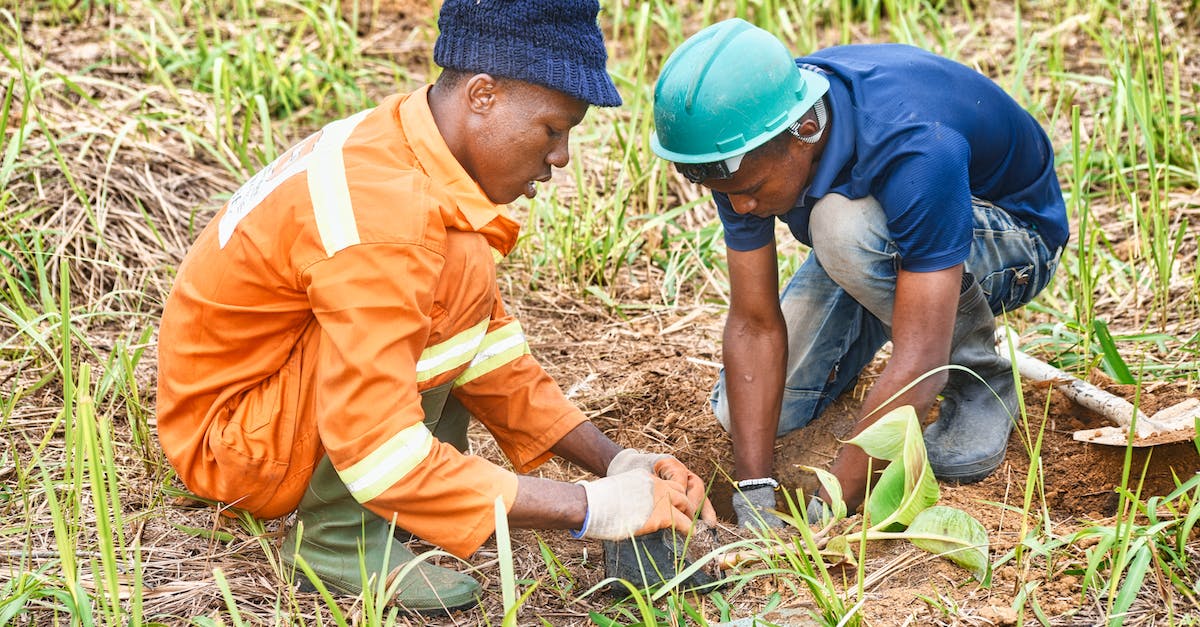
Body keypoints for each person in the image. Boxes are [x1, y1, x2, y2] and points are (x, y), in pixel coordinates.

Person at [155, 0, 715, 614]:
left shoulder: (406, 141)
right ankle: (339, 540)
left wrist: (615, 462)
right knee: (445, 270)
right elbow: (375, 445)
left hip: (266, 397)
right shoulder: (387, 220)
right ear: (483, 95)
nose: (560, 157)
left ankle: (412, 504)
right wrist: (590, 508)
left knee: (455, 264)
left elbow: (492, 357)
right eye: (553, 130)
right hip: (237, 444)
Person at [649, 19, 1067, 527]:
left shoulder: (916, 147)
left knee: (843, 228)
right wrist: (753, 491)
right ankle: (879, 288)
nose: (740, 207)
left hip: (1012, 236)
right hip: (880, 237)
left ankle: (980, 379)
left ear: (805, 131)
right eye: (726, 193)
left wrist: (827, 514)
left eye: (752, 190)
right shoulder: (741, 148)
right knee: (746, 414)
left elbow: (920, 357)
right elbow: (754, 324)